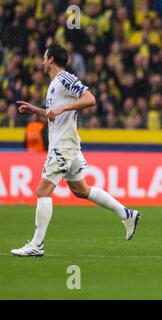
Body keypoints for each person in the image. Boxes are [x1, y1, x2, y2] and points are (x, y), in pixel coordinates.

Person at [11, 44, 141, 257]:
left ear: (51, 59)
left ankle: (37, 245)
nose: (42, 62)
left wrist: (63, 108)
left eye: (44, 58)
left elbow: (90, 99)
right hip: (66, 145)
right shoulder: (54, 84)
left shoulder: (64, 79)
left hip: (64, 146)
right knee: (81, 190)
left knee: (43, 191)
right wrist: (34, 110)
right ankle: (126, 213)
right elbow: (54, 114)